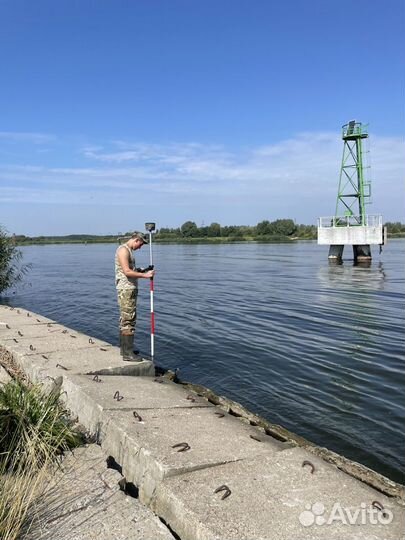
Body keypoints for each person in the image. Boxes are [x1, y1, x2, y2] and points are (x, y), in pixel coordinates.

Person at [115, 232, 155, 361]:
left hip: (129, 288)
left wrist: (143, 270)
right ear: (136, 240)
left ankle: (124, 349)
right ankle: (128, 353)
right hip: (126, 289)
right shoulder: (123, 250)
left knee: (126, 318)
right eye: (141, 244)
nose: (140, 247)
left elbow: (131, 269)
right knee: (128, 319)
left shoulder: (128, 251)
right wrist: (146, 276)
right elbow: (126, 272)